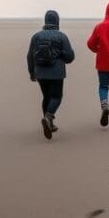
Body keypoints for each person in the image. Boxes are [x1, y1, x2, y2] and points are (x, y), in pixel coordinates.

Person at [27, 10, 75, 140]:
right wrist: (62, 54)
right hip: (56, 73)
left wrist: (31, 72)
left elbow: (30, 56)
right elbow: (70, 57)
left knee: (46, 97)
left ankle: (49, 123)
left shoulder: (36, 36)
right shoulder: (62, 37)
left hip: (40, 73)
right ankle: (48, 117)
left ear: (46, 21)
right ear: (57, 21)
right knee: (56, 97)